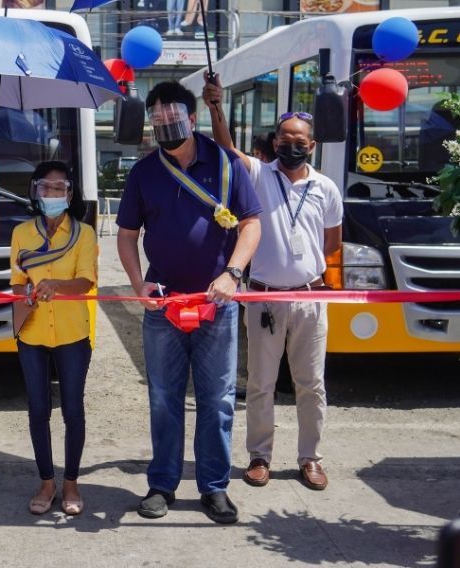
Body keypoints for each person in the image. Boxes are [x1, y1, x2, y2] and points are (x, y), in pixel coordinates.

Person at [117, 82, 262, 524]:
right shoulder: (144, 172)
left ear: (191, 117)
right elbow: (126, 236)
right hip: (163, 305)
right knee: (163, 397)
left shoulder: (224, 163)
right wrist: (138, 283)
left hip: (217, 304)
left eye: (171, 116)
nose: (164, 124)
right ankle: (162, 483)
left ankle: (214, 486)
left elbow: (251, 224)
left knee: (217, 400)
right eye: (156, 118)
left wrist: (232, 273)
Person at [203, 76, 343, 491]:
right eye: (283, 137)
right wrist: (215, 107)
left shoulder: (326, 188)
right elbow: (227, 150)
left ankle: (310, 458)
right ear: (275, 141)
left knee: (311, 384)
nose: (291, 144)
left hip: (309, 299)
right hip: (262, 299)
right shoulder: (259, 175)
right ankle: (259, 456)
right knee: (261, 384)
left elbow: (332, 243)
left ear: (312, 145)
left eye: (299, 138)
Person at [10, 161, 97, 516]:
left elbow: (85, 281)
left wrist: (56, 286)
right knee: (37, 409)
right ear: (35, 192)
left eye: (60, 188)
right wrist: (26, 293)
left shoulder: (85, 234)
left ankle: (72, 483)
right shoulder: (21, 234)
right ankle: (46, 482)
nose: (52, 194)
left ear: (70, 194)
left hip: (72, 332)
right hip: (31, 331)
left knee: (73, 410)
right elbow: (16, 281)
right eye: (46, 187)